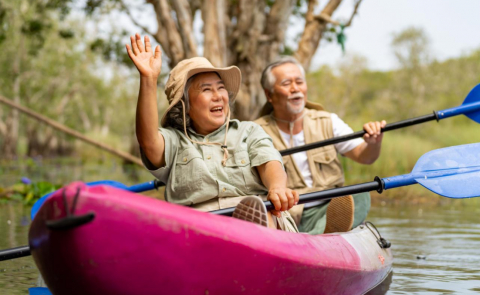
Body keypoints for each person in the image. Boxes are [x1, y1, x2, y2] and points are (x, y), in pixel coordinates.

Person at [126, 34, 299, 231]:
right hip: (198, 227)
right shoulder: (175, 141)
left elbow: (270, 163)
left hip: (256, 215)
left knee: (261, 212)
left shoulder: (248, 131)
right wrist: (148, 79)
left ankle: (315, 233)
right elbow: (148, 141)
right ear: (185, 106)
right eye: (206, 90)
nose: (218, 96)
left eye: (221, 88)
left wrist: (277, 187)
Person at [255, 57, 386, 234]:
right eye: (286, 83)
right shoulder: (254, 131)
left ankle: (319, 234)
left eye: (299, 82)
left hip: (329, 207)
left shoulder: (328, 121)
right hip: (285, 213)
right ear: (269, 95)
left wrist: (374, 142)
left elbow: (365, 156)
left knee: (361, 194)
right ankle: (316, 237)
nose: (296, 89)